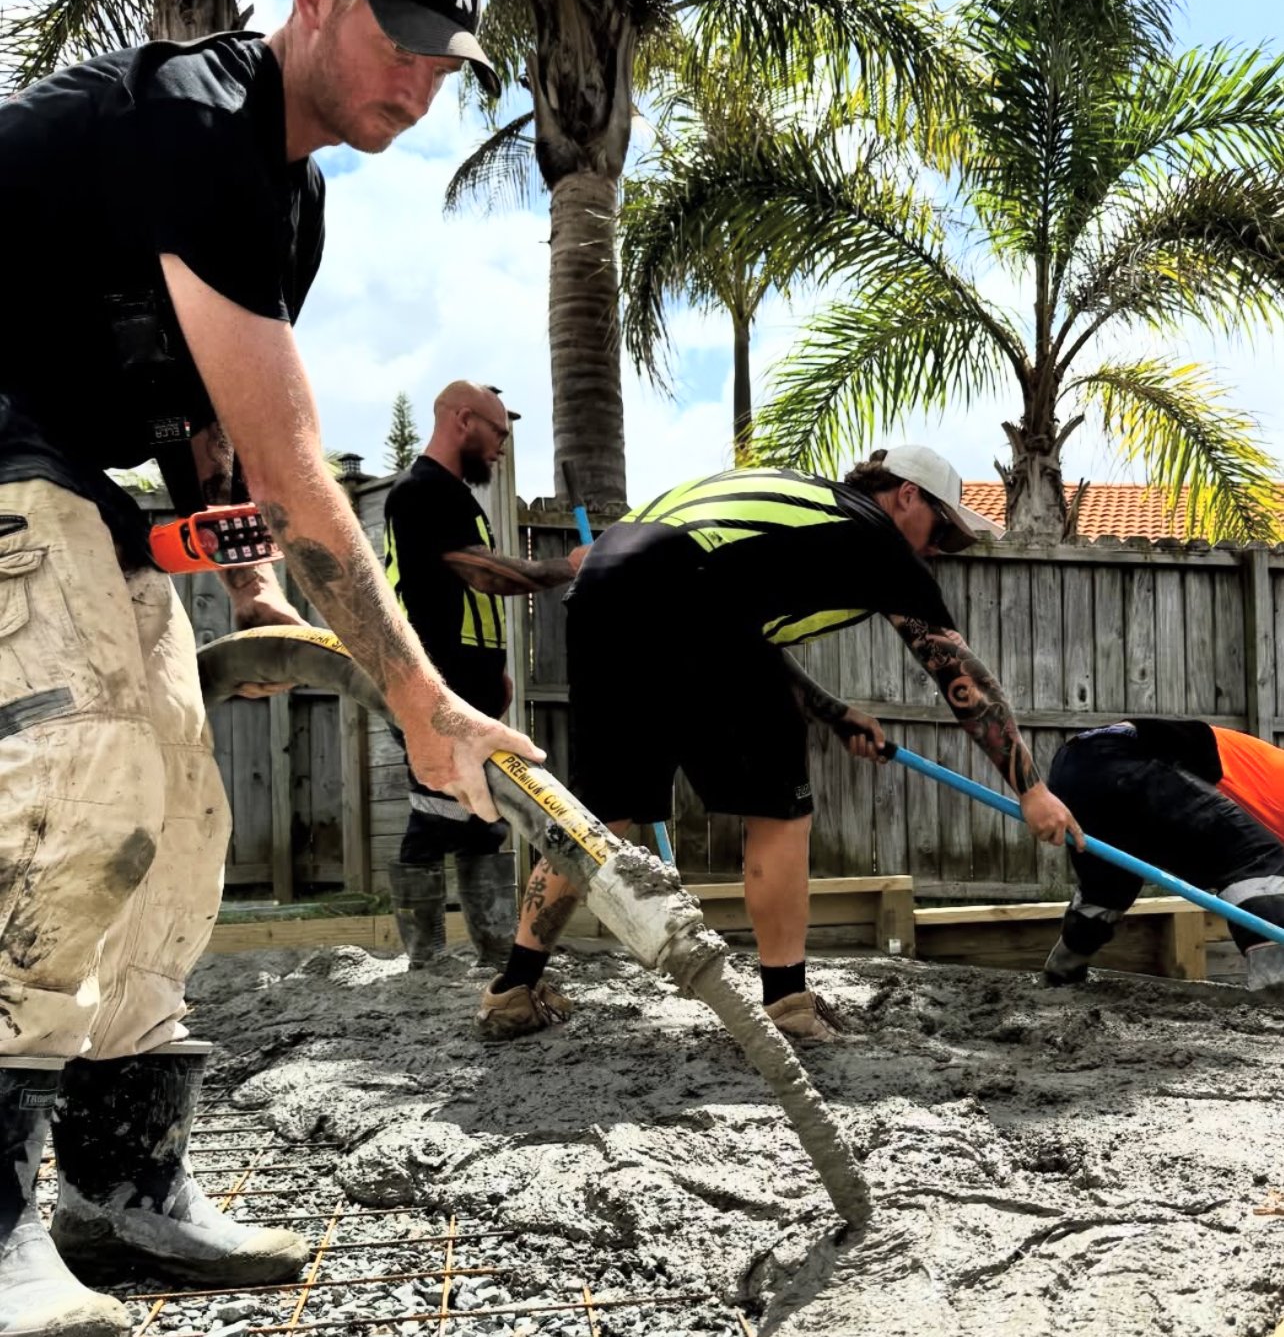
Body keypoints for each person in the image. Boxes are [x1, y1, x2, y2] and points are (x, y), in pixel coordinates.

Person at [0, 0, 541, 1337]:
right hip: (10, 448)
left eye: (446, 63)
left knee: (180, 798)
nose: (421, 82)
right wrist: (421, 698)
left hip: (62, 457)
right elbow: (304, 472)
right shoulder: (192, 116)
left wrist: (243, 582)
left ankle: (120, 1181)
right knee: (79, 772)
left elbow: (194, 406)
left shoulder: (287, 198)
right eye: (401, 39)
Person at [476, 444, 1083, 1043]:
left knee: (599, 818)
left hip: (605, 594)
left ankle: (512, 991)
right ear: (905, 496)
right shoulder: (873, 533)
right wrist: (1032, 789)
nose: (936, 549)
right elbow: (955, 667)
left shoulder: (801, 510)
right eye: (942, 531)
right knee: (780, 810)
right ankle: (787, 1002)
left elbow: (745, 634)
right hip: (684, 594)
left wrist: (832, 711)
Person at [382, 380, 586, 964]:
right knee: (436, 808)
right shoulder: (420, 491)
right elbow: (485, 574)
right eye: (498, 431)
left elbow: (470, 597)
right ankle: (425, 957)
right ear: (463, 420)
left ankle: (495, 947)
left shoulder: (453, 495)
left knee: (479, 815)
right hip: (431, 683)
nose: (501, 445)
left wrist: (492, 668)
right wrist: (563, 566)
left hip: (466, 680)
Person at [1043, 719, 1284, 989]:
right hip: (1128, 756)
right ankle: (1277, 989)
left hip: (1076, 766)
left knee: (1108, 892)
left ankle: (1062, 975)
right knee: (1257, 861)